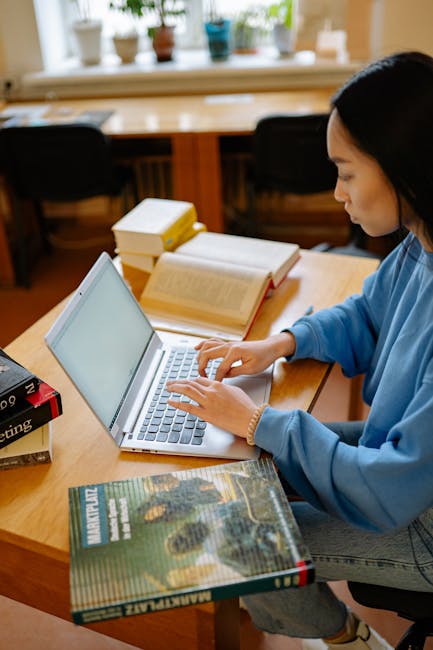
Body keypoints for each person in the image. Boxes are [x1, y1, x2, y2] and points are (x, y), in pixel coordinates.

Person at [166, 50, 433, 650]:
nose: (336, 192)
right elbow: (368, 314)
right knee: (242, 474)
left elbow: (390, 491)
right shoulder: (421, 245)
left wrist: (261, 420)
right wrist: (281, 343)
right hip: (402, 464)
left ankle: (345, 638)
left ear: (405, 166)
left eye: (346, 171)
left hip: (422, 524)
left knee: (241, 540)